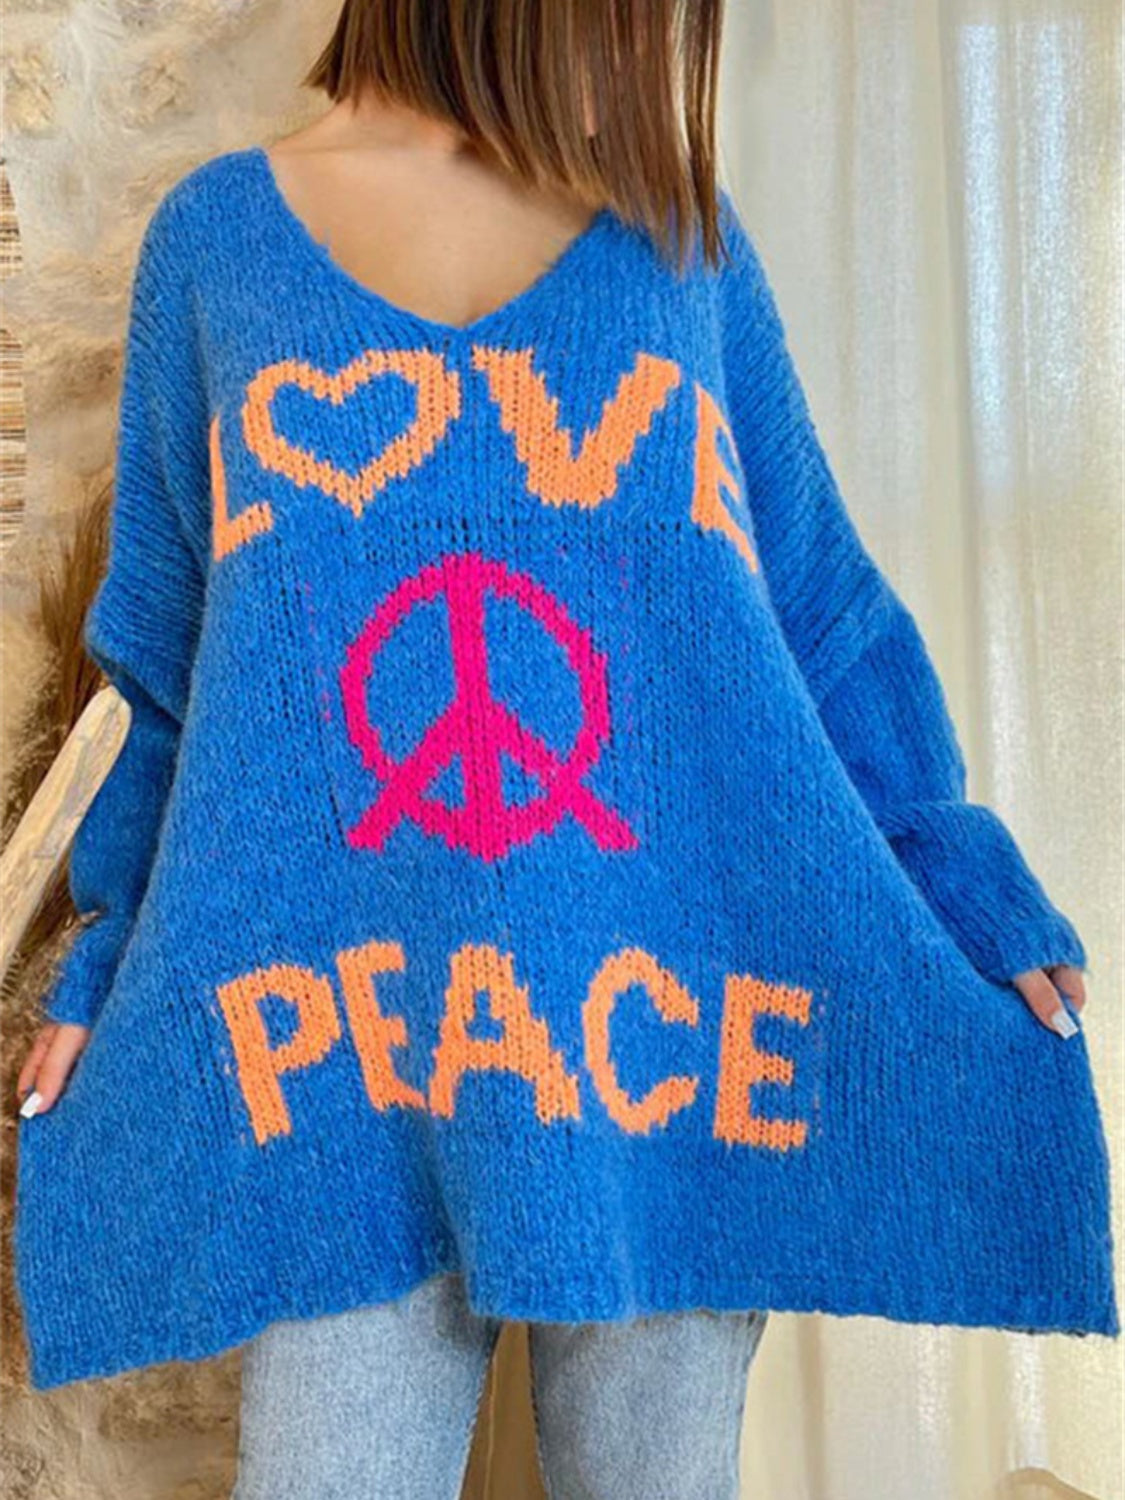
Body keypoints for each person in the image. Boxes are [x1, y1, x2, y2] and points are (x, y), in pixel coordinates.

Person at [13, 2, 1116, 1496]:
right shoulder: (216, 247)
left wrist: (958, 872)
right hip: (341, 1065)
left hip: (672, 1048)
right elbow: (167, 666)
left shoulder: (681, 248)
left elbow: (817, 614)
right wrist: (107, 954)